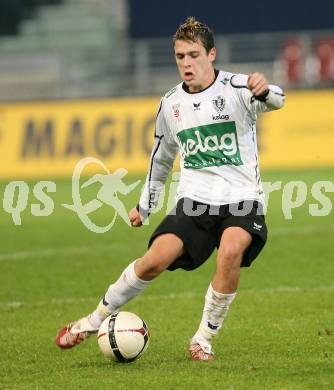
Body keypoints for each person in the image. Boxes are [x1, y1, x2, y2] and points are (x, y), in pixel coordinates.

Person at [55, 16, 285, 361]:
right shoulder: (171, 104)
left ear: (211, 54)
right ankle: (92, 322)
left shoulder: (238, 88)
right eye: (180, 56)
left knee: (231, 249)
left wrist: (265, 89)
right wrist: (145, 205)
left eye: (193, 55)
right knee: (153, 261)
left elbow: (276, 100)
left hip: (242, 201)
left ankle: (203, 338)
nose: (186, 63)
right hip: (194, 201)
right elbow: (161, 159)